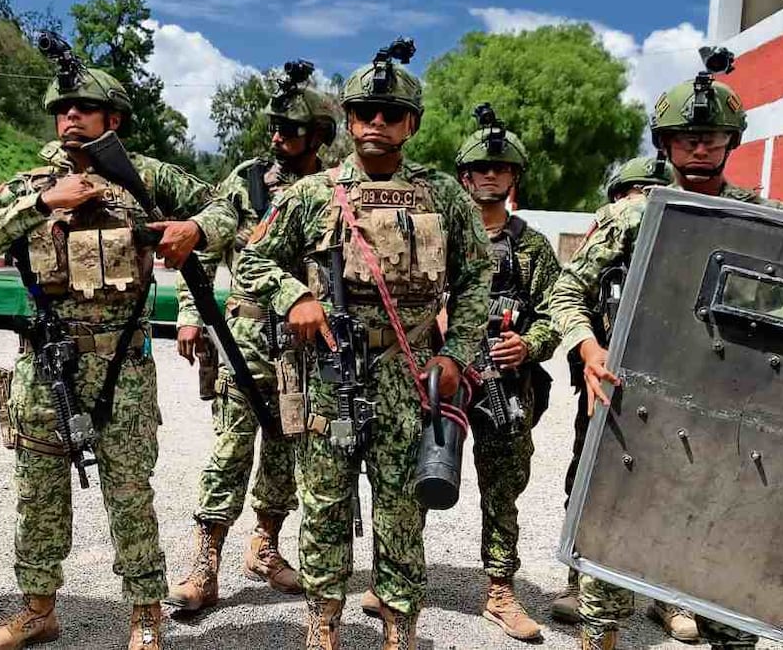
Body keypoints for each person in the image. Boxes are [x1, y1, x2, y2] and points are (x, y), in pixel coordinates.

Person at [0, 64, 236, 650]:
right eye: (62, 109)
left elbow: (226, 208)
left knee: (130, 495)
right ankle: (38, 610)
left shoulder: (147, 176)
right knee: (37, 494)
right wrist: (41, 202)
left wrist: (192, 228)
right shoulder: (30, 183)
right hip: (46, 368)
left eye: (82, 108)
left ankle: (145, 617)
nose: (69, 117)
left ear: (112, 120)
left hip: (124, 369)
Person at [234, 39, 491, 650]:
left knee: (403, 506)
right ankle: (323, 624)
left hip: (410, 372)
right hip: (329, 370)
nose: (376, 124)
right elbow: (250, 261)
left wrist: (455, 354)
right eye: (363, 113)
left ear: (411, 125)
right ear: (347, 121)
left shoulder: (444, 196)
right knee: (323, 502)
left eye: (390, 115)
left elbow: (478, 274)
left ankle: (398, 626)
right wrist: (294, 294)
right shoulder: (312, 193)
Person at [545, 52, 783, 650]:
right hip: (644, 400)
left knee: (728, 551)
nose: (699, 149)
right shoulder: (633, 214)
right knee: (614, 540)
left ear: (730, 141)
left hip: (736, 411)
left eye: (709, 137)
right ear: (666, 144)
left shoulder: (769, 218)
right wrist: (589, 347)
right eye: (685, 138)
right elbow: (566, 288)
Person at [166, 62, 340, 612]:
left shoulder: (331, 188)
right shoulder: (245, 180)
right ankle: (206, 562)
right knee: (229, 450)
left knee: (286, 451)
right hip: (245, 336)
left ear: (317, 137)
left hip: (304, 346)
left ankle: (264, 545)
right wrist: (191, 313)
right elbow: (208, 242)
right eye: (274, 128)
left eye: (289, 130)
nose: (277, 138)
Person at [548, 156, 698, 639]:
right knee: (592, 481)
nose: (640, 200)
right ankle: (580, 581)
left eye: (649, 190)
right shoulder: (606, 244)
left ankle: (669, 597)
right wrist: (589, 352)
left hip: (682, 389)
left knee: (678, 489)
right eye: (631, 191)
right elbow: (569, 299)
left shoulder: (689, 242)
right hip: (609, 386)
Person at [453, 105, 561, 641]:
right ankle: (393, 578)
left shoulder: (532, 247)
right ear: (465, 178)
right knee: (417, 475)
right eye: (480, 169)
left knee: (502, 487)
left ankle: (499, 589)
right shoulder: (443, 238)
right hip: (445, 378)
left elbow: (558, 313)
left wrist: (530, 344)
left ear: (514, 176)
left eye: (501, 168)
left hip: (504, 383)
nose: (490, 175)